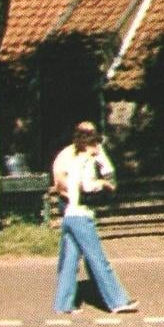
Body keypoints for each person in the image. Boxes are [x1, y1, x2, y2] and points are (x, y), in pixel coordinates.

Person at [53, 124, 137, 314]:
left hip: (69, 215)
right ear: (89, 145)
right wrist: (104, 183)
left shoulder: (73, 160)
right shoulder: (86, 162)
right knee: (98, 259)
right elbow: (87, 185)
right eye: (96, 144)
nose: (99, 148)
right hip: (81, 216)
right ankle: (117, 301)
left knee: (70, 261)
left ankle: (63, 304)